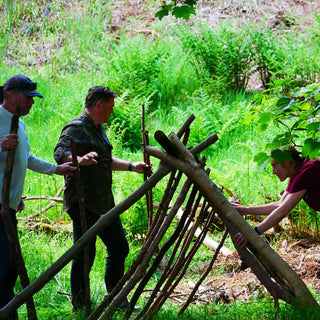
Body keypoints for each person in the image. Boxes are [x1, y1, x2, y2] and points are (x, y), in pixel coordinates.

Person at [54, 86, 150, 311]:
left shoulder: (99, 128)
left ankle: (115, 299)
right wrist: (79, 159)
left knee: (119, 247)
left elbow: (106, 160)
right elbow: (60, 155)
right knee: (85, 253)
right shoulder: (75, 127)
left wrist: (131, 166)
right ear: (98, 105)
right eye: (109, 107)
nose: (111, 112)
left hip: (104, 201)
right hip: (83, 200)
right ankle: (80, 305)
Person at [0, 74, 76, 319]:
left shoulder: (18, 124)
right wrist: (0, 146)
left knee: (10, 265)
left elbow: (27, 158)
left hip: (8, 206)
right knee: (5, 262)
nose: (32, 103)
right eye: (28, 97)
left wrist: (56, 169)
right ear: (10, 96)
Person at [233, 146, 320, 248]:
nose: (273, 171)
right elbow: (280, 204)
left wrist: (253, 233)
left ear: (287, 162)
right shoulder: (297, 175)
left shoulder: (307, 171)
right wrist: (246, 210)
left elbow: (283, 210)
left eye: (274, 166)